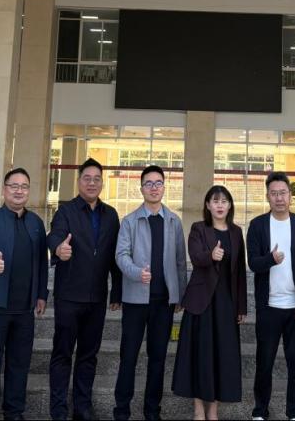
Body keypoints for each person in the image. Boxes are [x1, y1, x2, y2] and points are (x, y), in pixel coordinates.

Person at [46, 158, 122, 421]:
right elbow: (54, 235)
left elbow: (114, 255)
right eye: (87, 178)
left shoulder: (110, 215)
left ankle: (82, 407)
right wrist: (58, 248)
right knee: (62, 354)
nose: (92, 183)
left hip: (97, 297)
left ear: (102, 183)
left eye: (96, 179)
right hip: (68, 296)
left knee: (89, 356)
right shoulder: (66, 211)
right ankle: (58, 410)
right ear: (79, 182)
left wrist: (117, 291)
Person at [113, 164, 188, 421]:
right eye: (149, 183)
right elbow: (121, 255)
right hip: (135, 301)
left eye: (158, 183)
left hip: (163, 302)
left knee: (158, 359)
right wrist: (136, 272)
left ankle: (152, 411)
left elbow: (180, 261)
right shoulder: (130, 221)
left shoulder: (173, 221)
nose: (154, 188)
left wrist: (180, 295)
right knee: (128, 357)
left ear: (164, 187)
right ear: (141, 188)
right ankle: (121, 410)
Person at [0, 168, 49, 421]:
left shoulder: (36, 223)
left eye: (24, 186)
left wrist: (41, 294)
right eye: (14, 186)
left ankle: (14, 412)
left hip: (24, 308)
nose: (19, 191)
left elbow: (42, 262)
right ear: (4, 189)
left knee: (19, 363)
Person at [172, 185, 248, 421]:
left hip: (226, 303)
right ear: (207, 205)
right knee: (199, 355)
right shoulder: (198, 228)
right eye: (215, 201)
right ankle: (198, 410)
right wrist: (210, 256)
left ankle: (213, 411)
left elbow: (240, 272)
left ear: (230, 205)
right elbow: (195, 257)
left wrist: (241, 306)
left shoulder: (236, 232)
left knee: (220, 357)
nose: (220, 205)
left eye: (224, 201)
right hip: (201, 303)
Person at [247, 171, 295, 421]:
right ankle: (260, 411)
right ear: (267, 196)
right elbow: (253, 263)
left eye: (283, 193)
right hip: (269, 308)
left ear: (290, 196)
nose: (279, 198)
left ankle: (294, 413)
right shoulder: (257, 225)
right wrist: (271, 259)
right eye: (274, 193)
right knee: (264, 363)